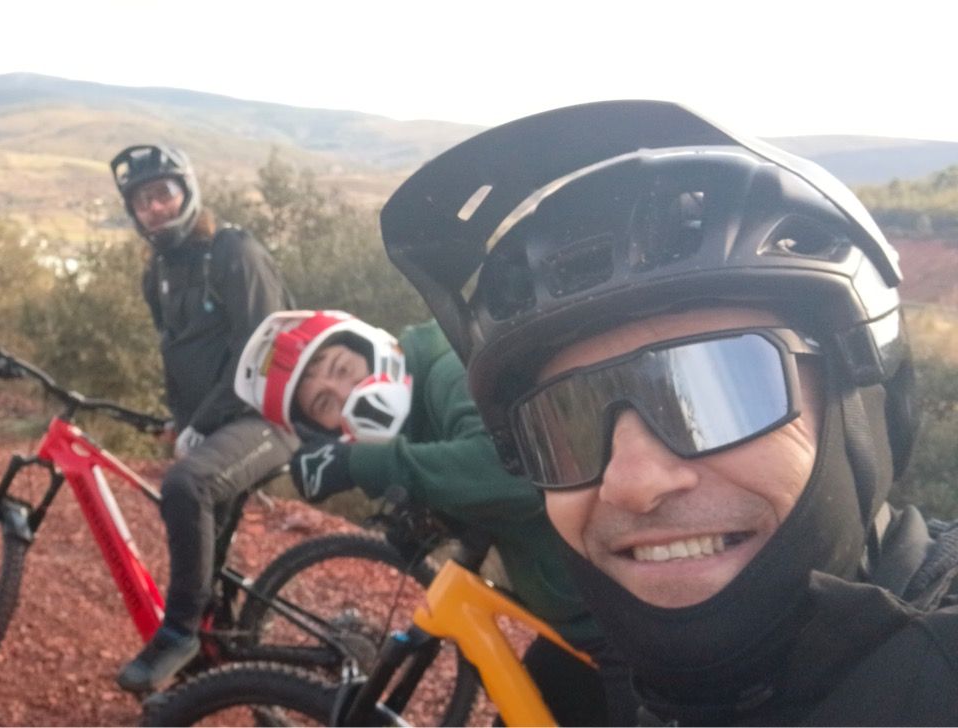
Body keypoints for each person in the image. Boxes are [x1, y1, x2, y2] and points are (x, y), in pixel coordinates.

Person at [380, 99, 958, 724]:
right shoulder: (575, 696)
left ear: (866, 406)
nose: (633, 483)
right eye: (564, 423)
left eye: (714, 394)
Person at [235, 310, 614, 725]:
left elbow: (514, 474)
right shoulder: (415, 419)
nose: (347, 391)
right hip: (582, 619)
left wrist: (361, 463)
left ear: (367, 346)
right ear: (325, 432)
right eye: (324, 403)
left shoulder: (448, 369)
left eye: (341, 368)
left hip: (623, 616)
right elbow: (480, 490)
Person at [108, 143, 297, 691]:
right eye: (142, 201)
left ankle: (180, 633)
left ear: (187, 193)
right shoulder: (159, 273)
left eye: (163, 194)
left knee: (186, 486)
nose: (154, 208)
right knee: (201, 537)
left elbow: (262, 348)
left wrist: (201, 423)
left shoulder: (233, 252)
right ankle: (217, 658)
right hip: (216, 425)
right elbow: (179, 356)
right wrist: (180, 420)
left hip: (270, 415)